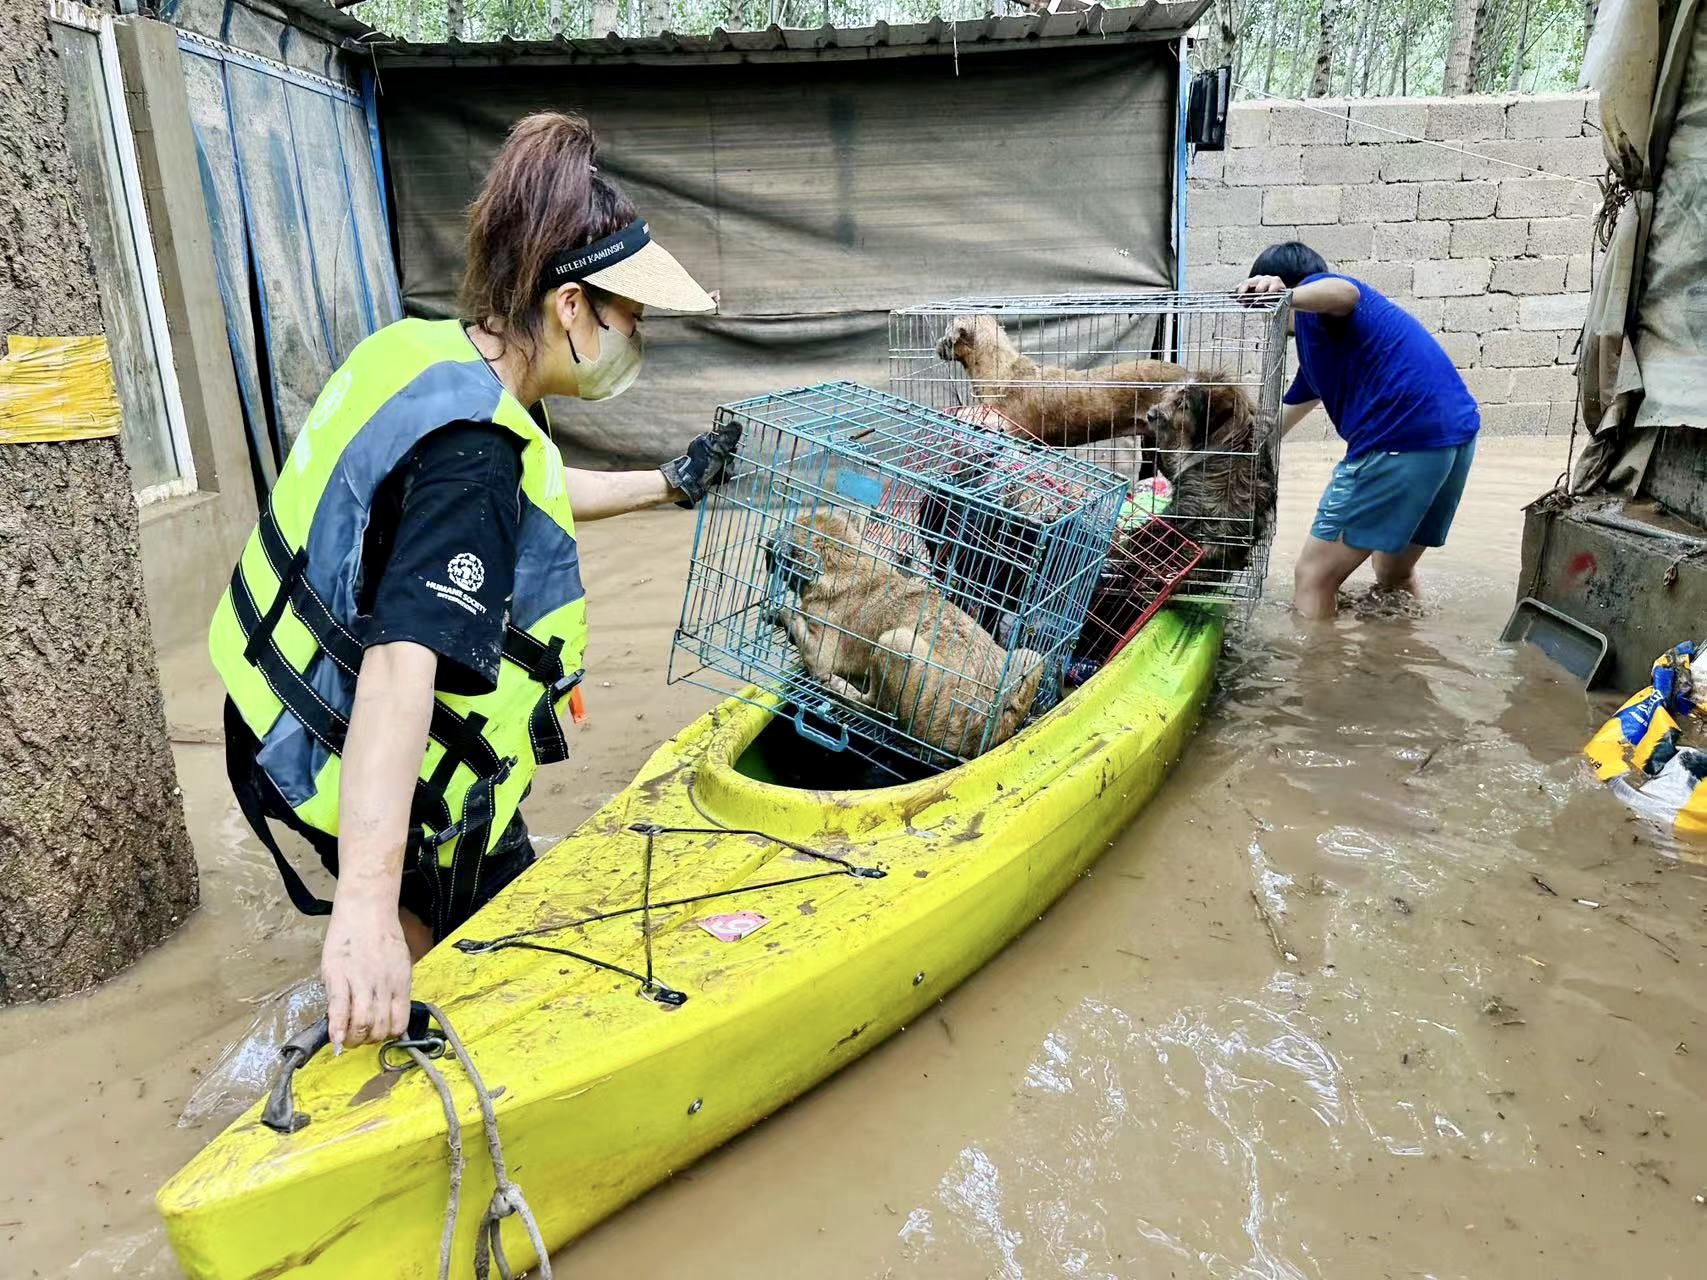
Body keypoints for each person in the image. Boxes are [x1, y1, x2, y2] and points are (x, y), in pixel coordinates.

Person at [210, 113, 739, 1051]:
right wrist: (366, 905)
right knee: (448, 973)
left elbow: (539, 491)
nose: (637, 341)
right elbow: (403, 662)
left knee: (478, 907)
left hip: (272, 698)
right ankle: (372, 1056)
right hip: (351, 744)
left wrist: (667, 482)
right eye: (632, 320)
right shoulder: (474, 455)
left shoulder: (433, 356)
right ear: (572, 307)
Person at [1236, 241, 1480, 620]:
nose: (1268, 318)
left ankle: (1315, 674)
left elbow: (1343, 290)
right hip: (1454, 437)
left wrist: (1288, 295)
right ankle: (1397, 662)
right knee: (1392, 573)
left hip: (1399, 439)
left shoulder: (1328, 303)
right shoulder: (1319, 355)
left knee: (1314, 575)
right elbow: (1272, 428)